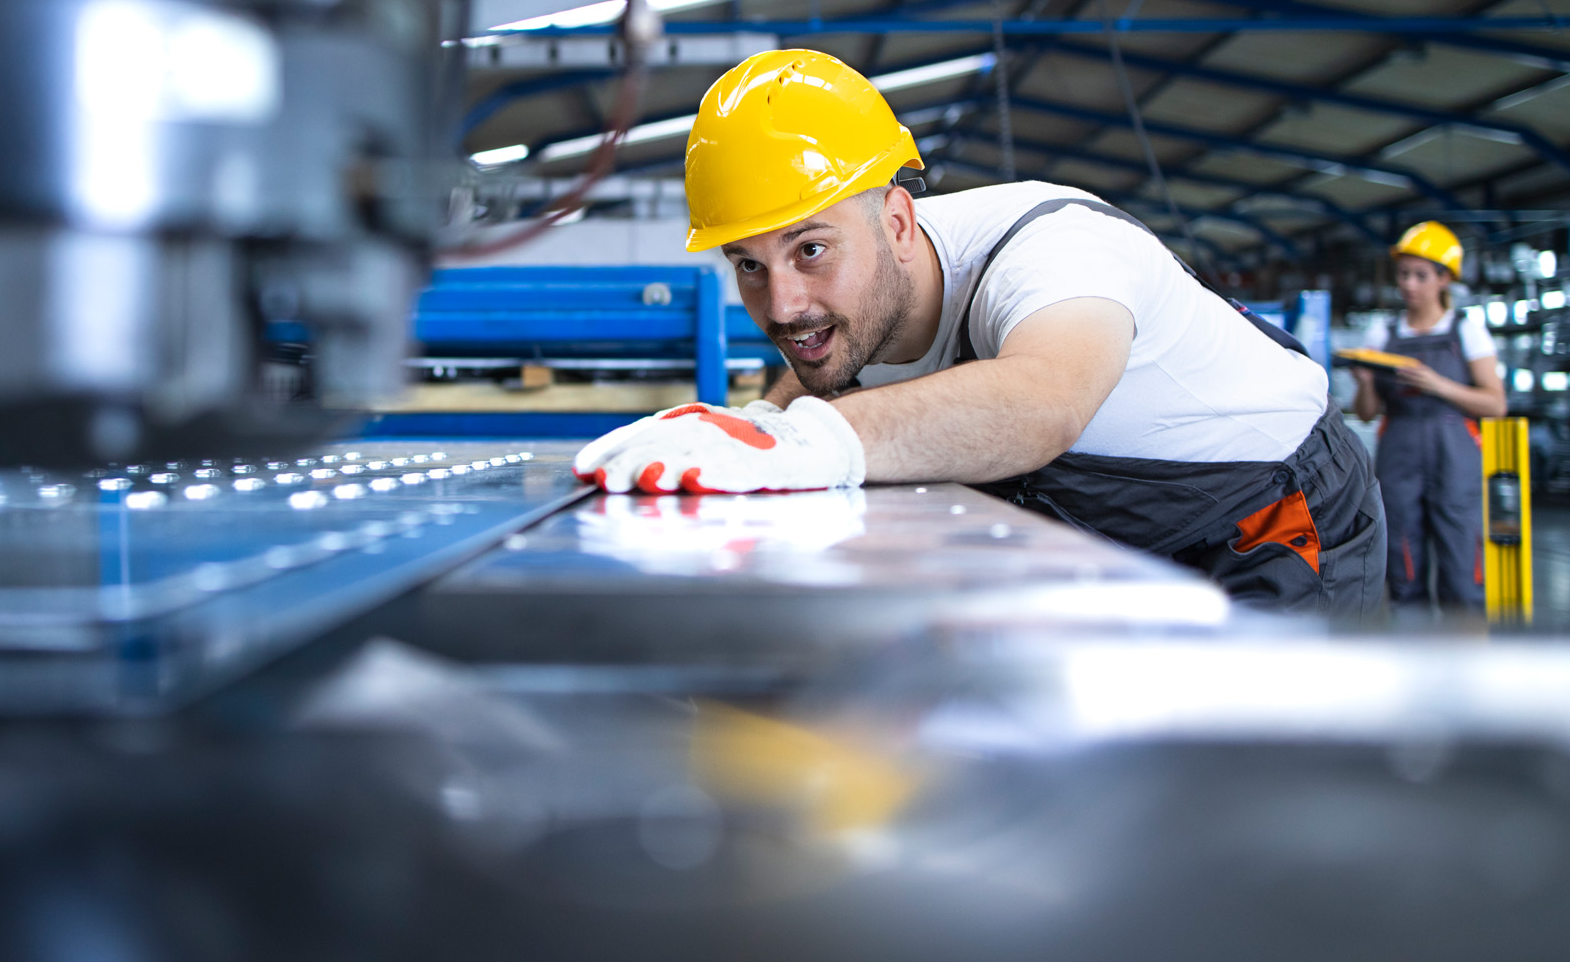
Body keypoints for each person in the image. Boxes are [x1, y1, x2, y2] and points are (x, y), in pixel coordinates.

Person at [574, 49, 1386, 613]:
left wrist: (808, 441)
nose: (782, 304)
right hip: (1119, 539)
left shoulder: (1052, 248)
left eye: (810, 249)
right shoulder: (859, 300)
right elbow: (821, 369)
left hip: (1274, 518)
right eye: (748, 265)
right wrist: (758, 427)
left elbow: (1043, 400)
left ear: (897, 221)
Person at [1349, 223, 1504, 610]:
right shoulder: (1381, 334)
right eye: (1404, 274)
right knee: (1403, 572)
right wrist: (1366, 382)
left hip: (1456, 461)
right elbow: (1367, 414)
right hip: (1399, 459)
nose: (1409, 284)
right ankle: (1413, 662)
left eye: (1420, 275)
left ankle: (1466, 661)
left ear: (1444, 279)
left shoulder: (1467, 332)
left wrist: (1438, 385)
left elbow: (1496, 405)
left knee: (1462, 574)